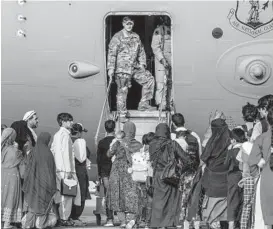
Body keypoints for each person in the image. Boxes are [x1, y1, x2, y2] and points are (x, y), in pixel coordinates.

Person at [107, 16, 155, 116]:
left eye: (131, 24)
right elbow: (112, 53)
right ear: (123, 24)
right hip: (122, 69)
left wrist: (142, 63)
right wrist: (111, 68)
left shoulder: (136, 36)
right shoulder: (117, 37)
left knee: (149, 79)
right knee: (122, 90)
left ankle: (144, 104)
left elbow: (141, 51)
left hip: (134, 67)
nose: (129, 25)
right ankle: (122, 113)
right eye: (127, 23)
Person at [149, 123, 192, 228]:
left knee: (158, 200)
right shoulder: (172, 144)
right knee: (170, 200)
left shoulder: (152, 144)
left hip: (157, 175)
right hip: (170, 175)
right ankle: (167, 223)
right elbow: (187, 159)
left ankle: (157, 223)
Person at [107, 121, 142, 229]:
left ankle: (122, 221)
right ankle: (130, 219)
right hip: (130, 172)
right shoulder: (138, 144)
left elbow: (108, 154)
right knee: (131, 195)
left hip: (117, 171)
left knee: (118, 194)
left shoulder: (117, 142)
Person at [21, 132, 58, 229]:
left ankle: (28, 224)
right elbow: (50, 172)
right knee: (43, 206)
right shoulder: (48, 154)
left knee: (32, 205)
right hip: (44, 187)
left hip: (32, 185)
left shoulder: (33, 152)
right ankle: (41, 224)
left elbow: (28, 170)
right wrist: (53, 187)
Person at [50, 113, 81, 226]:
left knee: (61, 195)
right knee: (66, 196)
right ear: (63, 122)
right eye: (69, 121)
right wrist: (68, 171)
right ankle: (64, 218)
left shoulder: (58, 135)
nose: (71, 123)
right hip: (65, 170)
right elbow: (65, 155)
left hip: (60, 169)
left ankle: (61, 217)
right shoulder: (64, 135)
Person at [171, 113, 200, 229]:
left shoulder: (172, 136)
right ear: (184, 122)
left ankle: (180, 221)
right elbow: (200, 155)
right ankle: (193, 219)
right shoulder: (194, 135)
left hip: (178, 172)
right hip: (193, 170)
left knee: (180, 197)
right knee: (193, 196)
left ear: (173, 124)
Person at [201, 118, 231, 229]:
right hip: (227, 180)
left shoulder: (212, 142)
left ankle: (213, 223)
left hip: (212, 181)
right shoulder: (231, 140)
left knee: (212, 210)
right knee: (224, 211)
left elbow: (203, 158)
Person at [248, 105, 273, 229]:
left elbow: (252, 160)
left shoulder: (261, 138)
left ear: (268, 121)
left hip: (267, 180)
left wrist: (256, 175)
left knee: (268, 220)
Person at [1, 128, 24, 229]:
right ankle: (7, 223)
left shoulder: (2, 148)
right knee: (11, 197)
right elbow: (22, 162)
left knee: (3, 197)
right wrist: (18, 149)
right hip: (13, 177)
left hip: (2, 175)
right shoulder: (14, 151)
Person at [70, 123, 91, 226]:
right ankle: (75, 216)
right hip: (80, 171)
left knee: (70, 193)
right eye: (82, 132)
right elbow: (82, 157)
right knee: (81, 193)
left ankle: (69, 216)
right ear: (78, 132)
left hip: (70, 171)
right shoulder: (80, 141)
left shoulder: (68, 140)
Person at [224, 128, 246, 229]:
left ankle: (231, 224)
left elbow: (226, 164)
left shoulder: (232, 150)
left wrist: (228, 150)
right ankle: (241, 222)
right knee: (243, 199)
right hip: (245, 175)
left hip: (233, 176)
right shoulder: (246, 147)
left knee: (232, 199)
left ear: (233, 139)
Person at [96, 120, 116, 226]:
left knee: (108, 194)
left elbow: (98, 159)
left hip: (105, 172)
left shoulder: (101, 142)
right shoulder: (118, 142)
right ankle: (123, 219)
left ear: (105, 129)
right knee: (118, 194)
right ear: (115, 128)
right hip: (116, 171)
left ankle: (110, 219)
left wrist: (99, 173)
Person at [151, 16, 172, 111]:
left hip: (171, 60)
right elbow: (155, 47)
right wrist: (162, 59)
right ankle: (161, 105)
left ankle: (169, 103)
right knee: (161, 84)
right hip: (161, 61)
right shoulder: (159, 31)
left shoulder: (171, 30)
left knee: (170, 83)